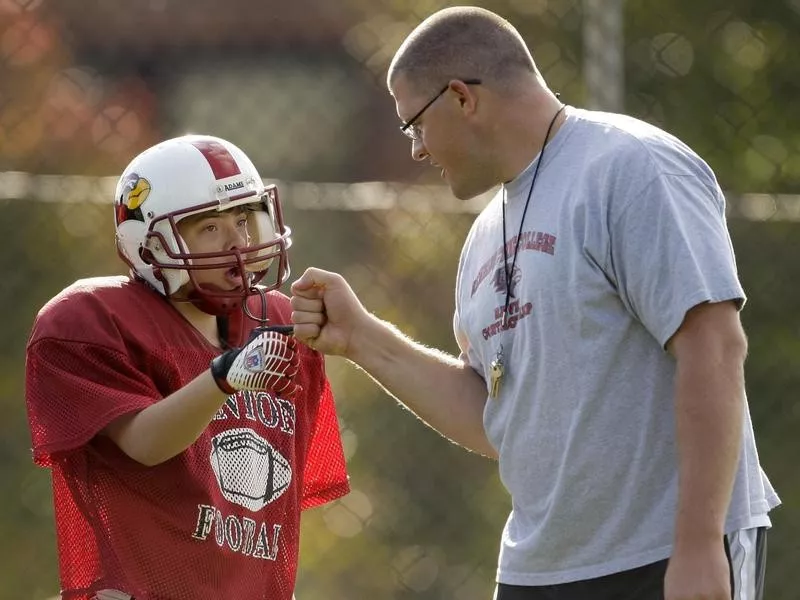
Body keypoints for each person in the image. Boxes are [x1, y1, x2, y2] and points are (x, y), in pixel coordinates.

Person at [290, 6, 780, 600]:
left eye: (414, 125)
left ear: (462, 98)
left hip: (664, 557)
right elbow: (501, 422)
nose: (415, 149)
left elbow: (714, 346)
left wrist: (700, 544)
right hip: (538, 571)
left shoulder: (629, 165)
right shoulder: (482, 237)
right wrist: (363, 338)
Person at [25, 134, 350, 600]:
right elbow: (145, 443)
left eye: (243, 218)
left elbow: (283, 497)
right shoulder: (93, 320)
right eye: (210, 228)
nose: (239, 242)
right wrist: (222, 377)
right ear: (150, 244)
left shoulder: (278, 319)